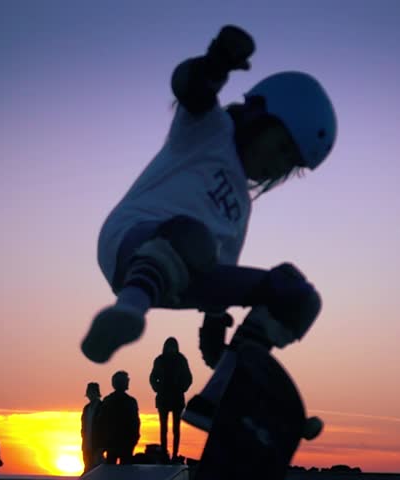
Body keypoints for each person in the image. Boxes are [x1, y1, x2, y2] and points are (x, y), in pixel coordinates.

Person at [81, 24, 336, 430]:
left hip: (185, 275)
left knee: (295, 293)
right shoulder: (207, 131)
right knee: (193, 239)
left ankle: (220, 397)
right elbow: (192, 89)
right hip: (129, 243)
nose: (279, 164)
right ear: (261, 116)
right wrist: (217, 60)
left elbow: (220, 281)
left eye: (290, 164)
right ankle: (126, 311)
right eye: (282, 147)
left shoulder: (241, 214)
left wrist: (222, 343)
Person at [150, 337, 193, 461]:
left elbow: (188, 378)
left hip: (177, 398)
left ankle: (175, 454)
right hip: (163, 398)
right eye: (169, 347)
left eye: (173, 347)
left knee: (176, 428)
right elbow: (152, 377)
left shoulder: (181, 360)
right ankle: (164, 453)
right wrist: (157, 388)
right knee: (163, 428)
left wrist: (181, 389)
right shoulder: (159, 360)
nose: (171, 349)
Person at [97, 371, 140, 464]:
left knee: (111, 472)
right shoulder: (130, 401)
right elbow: (135, 423)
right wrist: (134, 439)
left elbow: (101, 423)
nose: (128, 382)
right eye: (127, 380)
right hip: (123, 443)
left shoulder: (108, 400)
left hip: (113, 443)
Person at [81, 382, 104, 473]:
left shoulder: (102, 407)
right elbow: (84, 427)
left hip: (97, 446)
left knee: (96, 470)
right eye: (89, 392)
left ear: (96, 393)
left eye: (92, 392)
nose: (90, 395)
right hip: (86, 445)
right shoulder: (86, 408)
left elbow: (104, 428)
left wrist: (102, 446)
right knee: (88, 469)